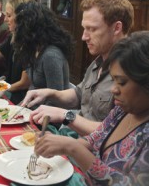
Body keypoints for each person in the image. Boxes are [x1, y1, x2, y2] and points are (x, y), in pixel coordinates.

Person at [32, 31, 149, 185]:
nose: (114, 89)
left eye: (121, 82)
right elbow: (94, 140)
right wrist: (55, 144)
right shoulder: (122, 111)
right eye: (113, 81)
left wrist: (71, 147)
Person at [23, 0, 133, 135]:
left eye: (92, 29)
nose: (84, 36)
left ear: (117, 28)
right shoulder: (98, 61)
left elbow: (117, 133)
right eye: (84, 28)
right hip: (74, 139)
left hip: (92, 152)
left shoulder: (131, 73)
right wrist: (50, 93)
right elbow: (79, 94)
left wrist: (66, 115)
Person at [13, 1, 73, 93]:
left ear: (32, 28)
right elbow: (33, 87)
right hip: (33, 105)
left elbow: (55, 99)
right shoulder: (33, 49)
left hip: (46, 106)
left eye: (20, 26)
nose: (16, 30)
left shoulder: (51, 56)